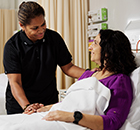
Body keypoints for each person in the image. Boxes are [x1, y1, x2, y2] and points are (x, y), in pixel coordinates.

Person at [0, 29, 136, 130]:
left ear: (107, 51)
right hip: (57, 115)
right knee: (4, 123)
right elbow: (70, 102)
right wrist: (41, 109)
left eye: (95, 43)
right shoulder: (90, 75)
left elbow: (113, 121)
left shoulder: (120, 81)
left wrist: (70, 116)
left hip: (70, 122)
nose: (90, 47)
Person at [3, 1, 85, 115]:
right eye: (35, 28)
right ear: (22, 25)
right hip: (20, 105)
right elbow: (15, 83)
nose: (41, 30)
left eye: (43, 24)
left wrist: (92, 75)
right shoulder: (12, 46)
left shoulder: (54, 38)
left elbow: (69, 68)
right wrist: (28, 107)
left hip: (48, 102)